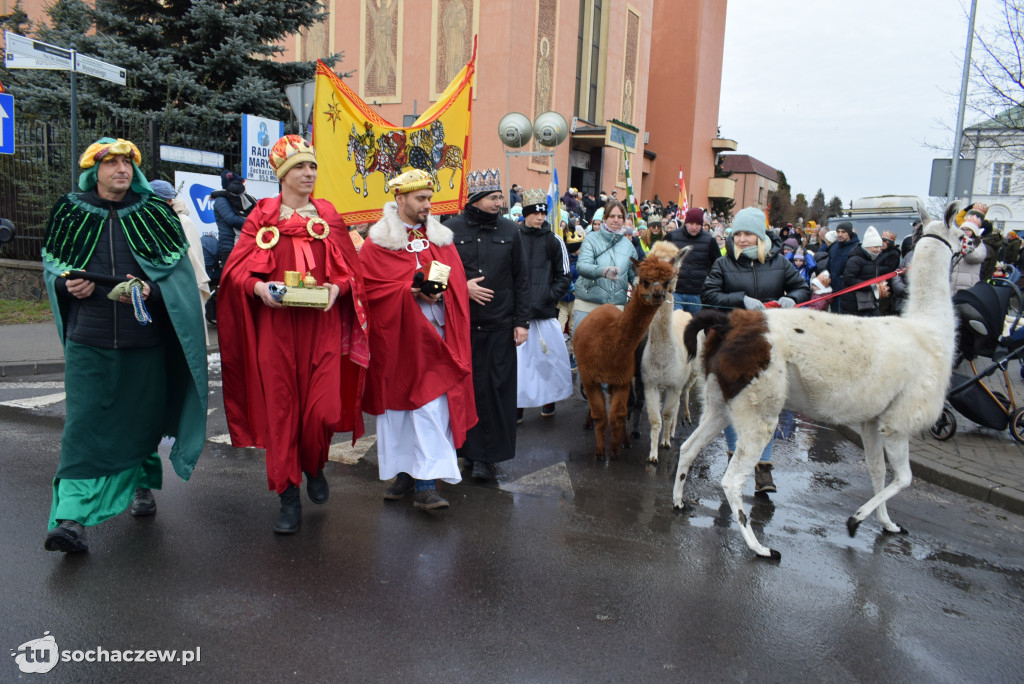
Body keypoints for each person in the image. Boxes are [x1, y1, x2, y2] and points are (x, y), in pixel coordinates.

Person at [40, 137, 208, 553]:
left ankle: (141, 485)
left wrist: (152, 289)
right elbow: (54, 270)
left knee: (140, 422)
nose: (122, 169)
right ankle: (71, 519)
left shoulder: (155, 214)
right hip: (88, 340)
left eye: (127, 163)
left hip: (142, 340)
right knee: (82, 429)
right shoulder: (69, 211)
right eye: (111, 163)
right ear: (93, 171)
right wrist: (67, 285)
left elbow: (178, 279)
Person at [218, 135, 369, 534]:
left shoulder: (329, 215)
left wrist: (338, 289)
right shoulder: (261, 216)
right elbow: (235, 272)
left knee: (323, 411)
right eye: (301, 167)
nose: (309, 174)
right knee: (282, 412)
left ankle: (314, 464)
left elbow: (352, 272)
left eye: (313, 167)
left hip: (321, 328)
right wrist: (259, 289)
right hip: (277, 330)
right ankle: (287, 495)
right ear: (283, 174)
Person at [360, 169, 477, 510]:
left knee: (429, 408)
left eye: (429, 198)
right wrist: (406, 291)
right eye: (421, 199)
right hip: (397, 340)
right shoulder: (377, 242)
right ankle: (405, 473)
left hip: (436, 340)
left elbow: (453, 281)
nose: (428, 205)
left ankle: (426, 483)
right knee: (398, 411)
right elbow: (369, 290)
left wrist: (438, 292)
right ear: (400, 199)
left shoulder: (440, 238)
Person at [701, 207, 810, 494]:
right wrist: (741, 300)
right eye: (738, 233)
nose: (742, 239)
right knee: (734, 404)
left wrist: (792, 299)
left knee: (767, 405)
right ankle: (735, 459)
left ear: (760, 236)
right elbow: (709, 295)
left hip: (769, 344)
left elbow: (802, 287)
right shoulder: (724, 264)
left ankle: (763, 468)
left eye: (748, 233)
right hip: (733, 342)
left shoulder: (779, 262)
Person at [447, 168, 531, 481]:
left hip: (500, 326)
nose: (500, 202)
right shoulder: (451, 229)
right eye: (494, 197)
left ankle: (487, 458)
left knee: (496, 392)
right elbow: (437, 272)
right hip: (463, 327)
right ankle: (465, 451)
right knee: (465, 390)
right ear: (477, 199)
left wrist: (521, 322)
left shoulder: (511, 230)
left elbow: (521, 279)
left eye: (500, 197)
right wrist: (462, 286)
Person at [516, 189, 573, 420]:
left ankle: (549, 401)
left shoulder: (554, 240)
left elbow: (565, 275)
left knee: (547, 361)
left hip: (545, 313)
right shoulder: (514, 236)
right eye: (535, 213)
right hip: (518, 314)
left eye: (543, 214)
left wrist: (548, 296)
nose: (540, 218)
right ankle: (517, 406)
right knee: (519, 365)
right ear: (526, 214)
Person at [150, 180, 212, 335]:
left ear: (168, 201)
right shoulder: (163, 220)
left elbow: (190, 260)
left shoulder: (182, 222)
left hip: (186, 288)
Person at [573, 199, 638, 329]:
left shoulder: (629, 246)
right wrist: (603, 271)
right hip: (588, 303)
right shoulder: (591, 239)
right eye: (612, 216)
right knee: (584, 348)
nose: (616, 220)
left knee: (612, 348)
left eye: (620, 217)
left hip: (615, 307)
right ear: (605, 218)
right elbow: (582, 266)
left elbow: (634, 276)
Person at [664, 207, 719, 312]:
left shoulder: (710, 241)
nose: (694, 227)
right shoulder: (671, 237)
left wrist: (709, 287)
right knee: (675, 326)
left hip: (697, 294)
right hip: (675, 292)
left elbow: (717, 267)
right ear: (686, 223)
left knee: (694, 327)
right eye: (691, 223)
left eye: (698, 224)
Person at [840, 226, 888, 317]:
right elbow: (849, 279)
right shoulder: (855, 259)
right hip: (854, 304)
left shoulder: (873, 258)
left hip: (868, 302)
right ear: (867, 246)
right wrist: (873, 286)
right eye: (876, 247)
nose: (878, 250)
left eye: (880, 247)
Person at [213, 169, 257, 268]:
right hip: (229, 247)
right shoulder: (221, 200)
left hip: (240, 245)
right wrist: (254, 223)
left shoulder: (236, 199)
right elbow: (231, 219)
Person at [557, 221, 585, 372]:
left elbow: (583, 276)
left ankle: (574, 355)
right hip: (561, 300)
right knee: (559, 329)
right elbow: (560, 275)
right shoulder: (563, 259)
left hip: (575, 300)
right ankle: (561, 355)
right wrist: (567, 285)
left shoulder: (582, 261)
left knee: (575, 328)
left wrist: (575, 286)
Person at [950, 209, 988, 295]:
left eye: (968, 230)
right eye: (963, 229)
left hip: (968, 284)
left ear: (974, 232)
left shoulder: (979, 245)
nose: (964, 232)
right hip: (952, 284)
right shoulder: (955, 243)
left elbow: (976, 257)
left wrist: (966, 249)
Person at [826, 222, 860, 312]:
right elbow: (828, 266)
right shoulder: (834, 247)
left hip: (849, 291)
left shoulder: (857, 248)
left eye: (843, 232)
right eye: (838, 232)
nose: (840, 234)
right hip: (834, 289)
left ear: (849, 233)